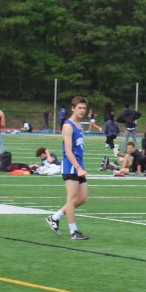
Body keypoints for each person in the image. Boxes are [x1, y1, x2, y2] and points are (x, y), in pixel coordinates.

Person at [45, 96, 90, 240]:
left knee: (82, 198)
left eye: (84, 108)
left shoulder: (79, 125)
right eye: (79, 108)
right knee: (72, 198)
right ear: (73, 108)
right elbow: (68, 151)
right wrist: (77, 167)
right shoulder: (68, 126)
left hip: (78, 165)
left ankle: (55, 217)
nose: (82, 110)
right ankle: (73, 231)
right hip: (71, 166)